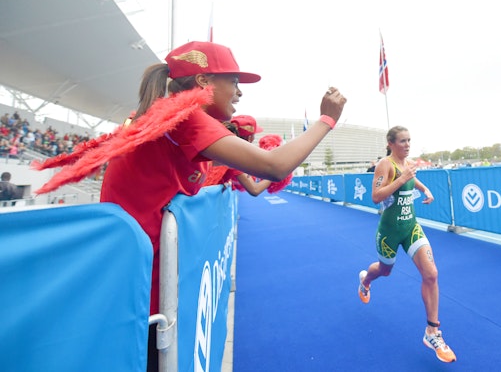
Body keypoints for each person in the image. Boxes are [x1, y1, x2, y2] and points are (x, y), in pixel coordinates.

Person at [34, 41, 346, 372]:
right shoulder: (185, 118)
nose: (239, 92)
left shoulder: (166, 114)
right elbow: (274, 166)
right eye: (234, 81)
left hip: (133, 277)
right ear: (203, 82)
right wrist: (327, 118)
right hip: (147, 286)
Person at [356, 126, 456, 363]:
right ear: (390, 144)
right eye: (402, 141)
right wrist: (402, 178)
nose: (407, 144)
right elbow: (376, 197)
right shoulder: (386, 164)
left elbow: (412, 179)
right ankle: (365, 280)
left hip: (411, 227)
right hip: (389, 233)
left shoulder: (407, 164)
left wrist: (424, 189)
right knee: (385, 271)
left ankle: (432, 331)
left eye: (409, 140)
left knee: (431, 274)